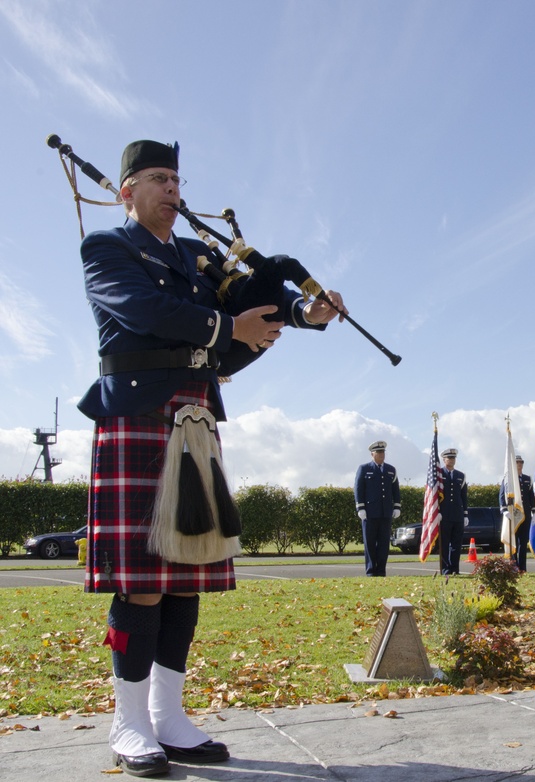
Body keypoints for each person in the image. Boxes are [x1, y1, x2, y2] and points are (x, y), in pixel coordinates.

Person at [78, 140, 346, 777]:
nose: (173, 188)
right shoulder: (108, 249)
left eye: (177, 178)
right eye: (158, 178)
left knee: (185, 575)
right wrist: (227, 330)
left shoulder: (198, 257)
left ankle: (169, 717)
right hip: (138, 415)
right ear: (127, 191)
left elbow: (246, 302)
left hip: (194, 417)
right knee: (141, 583)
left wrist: (307, 313)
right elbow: (145, 310)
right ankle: (129, 721)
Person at [354, 440, 402, 577]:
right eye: (379, 452)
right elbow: (358, 489)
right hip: (369, 513)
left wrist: (397, 506)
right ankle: (370, 571)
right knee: (369, 543)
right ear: (372, 454)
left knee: (383, 544)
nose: (381, 455)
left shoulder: (390, 470)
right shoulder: (364, 469)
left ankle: (381, 571)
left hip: (385, 512)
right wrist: (360, 508)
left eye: (383, 452)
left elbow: (395, 490)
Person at [498, 455, 534, 572]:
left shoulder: (527, 479)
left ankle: (522, 567)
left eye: (521, 463)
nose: (519, 465)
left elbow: (530, 497)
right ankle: (513, 565)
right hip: (513, 515)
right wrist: (504, 510)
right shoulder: (508, 480)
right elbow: (502, 495)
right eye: (517, 462)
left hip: (525, 515)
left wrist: (533, 510)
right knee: (513, 541)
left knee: (523, 543)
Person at [439, 448, 468, 575]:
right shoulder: (438, 474)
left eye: (453, 458)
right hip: (443, 515)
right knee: (444, 544)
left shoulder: (460, 476)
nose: (452, 460)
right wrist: (437, 512)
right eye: (449, 458)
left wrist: (465, 513)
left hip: (457, 515)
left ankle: (455, 569)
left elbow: (463, 496)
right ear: (444, 460)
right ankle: (445, 569)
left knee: (456, 544)